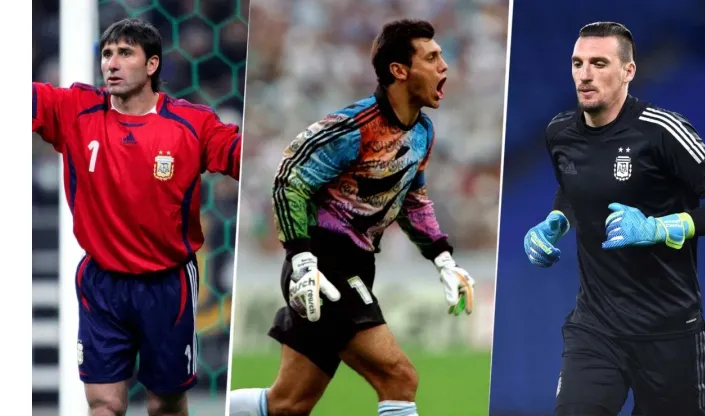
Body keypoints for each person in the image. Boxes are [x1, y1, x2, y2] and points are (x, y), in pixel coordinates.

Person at [229, 18, 475, 416]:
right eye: (431, 57)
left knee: (288, 404)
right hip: (325, 267)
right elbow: (288, 179)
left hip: (358, 263)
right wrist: (302, 260)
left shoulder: (422, 132)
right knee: (399, 378)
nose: (444, 65)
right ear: (400, 71)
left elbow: (412, 199)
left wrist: (443, 258)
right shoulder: (353, 127)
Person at [32, 18, 242, 416]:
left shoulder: (191, 123)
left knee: (164, 405)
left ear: (152, 65)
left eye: (125, 53)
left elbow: (240, 156)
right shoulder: (76, 109)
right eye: (107, 54)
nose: (112, 62)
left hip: (166, 284)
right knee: (104, 404)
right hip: (102, 282)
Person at [523, 21, 705, 416]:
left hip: (670, 332)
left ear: (629, 71)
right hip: (596, 327)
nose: (585, 74)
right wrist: (555, 221)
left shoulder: (663, 131)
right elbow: (573, 189)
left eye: (599, 63)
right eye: (577, 63)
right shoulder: (559, 133)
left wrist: (660, 228)